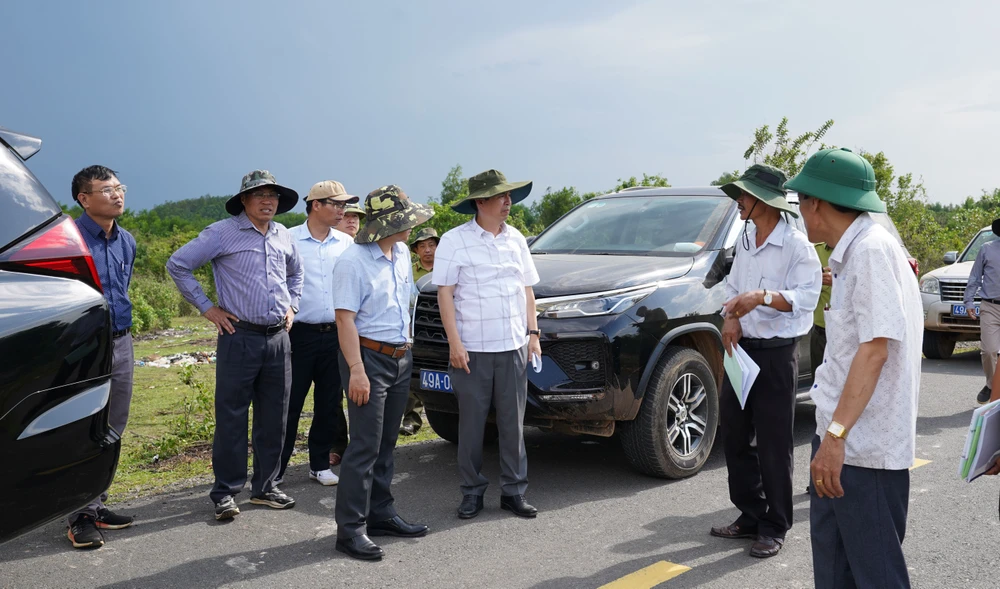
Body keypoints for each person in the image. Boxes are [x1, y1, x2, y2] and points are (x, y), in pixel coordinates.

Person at [788, 148, 922, 589]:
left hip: (863, 452)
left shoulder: (871, 251)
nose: (800, 210)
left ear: (818, 203)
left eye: (801, 200)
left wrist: (835, 438)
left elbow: (875, 350)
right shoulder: (855, 252)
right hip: (842, 443)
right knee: (836, 572)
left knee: (876, 576)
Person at [167, 170, 303, 520]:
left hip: (278, 338)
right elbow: (178, 264)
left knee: (275, 416)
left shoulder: (283, 234)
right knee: (232, 417)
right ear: (244, 200)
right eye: (259, 194)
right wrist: (207, 308)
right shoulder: (221, 233)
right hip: (238, 336)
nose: (267, 200)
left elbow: (296, 273)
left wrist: (293, 306)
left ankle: (266, 487)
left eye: (273, 195)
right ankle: (226, 492)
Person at [710, 164, 822, 558]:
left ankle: (775, 525)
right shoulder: (745, 237)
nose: (737, 201)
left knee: (775, 445)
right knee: (736, 437)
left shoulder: (796, 245)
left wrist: (762, 298)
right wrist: (730, 317)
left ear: (763, 201)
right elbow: (734, 285)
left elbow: (808, 297)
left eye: (743, 195)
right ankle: (751, 513)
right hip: (742, 352)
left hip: (776, 355)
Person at [433, 169, 542, 520]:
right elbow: (445, 294)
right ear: (480, 202)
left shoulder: (517, 240)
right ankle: (472, 491)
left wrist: (533, 334)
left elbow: (527, 290)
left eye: (509, 195)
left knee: (513, 425)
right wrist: (454, 343)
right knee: (472, 426)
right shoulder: (454, 240)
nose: (508, 201)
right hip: (472, 350)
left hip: (512, 346)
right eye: (501, 196)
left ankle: (514, 491)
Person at [333, 185, 433, 561]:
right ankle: (350, 530)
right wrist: (356, 370)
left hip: (398, 357)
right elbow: (345, 320)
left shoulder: (402, 253)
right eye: (404, 220)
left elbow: (403, 303)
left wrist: (407, 349)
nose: (412, 227)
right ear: (385, 224)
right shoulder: (352, 262)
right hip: (367, 359)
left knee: (387, 443)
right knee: (363, 446)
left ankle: (381, 514)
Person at [66, 166, 137, 549]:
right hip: (83, 347)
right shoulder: (68, 239)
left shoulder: (126, 240)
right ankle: (78, 514)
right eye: (107, 189)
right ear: (84, 198)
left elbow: (121, 291)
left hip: (121, 342)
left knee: (114, 422)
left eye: (119, 188)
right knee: (83, 426)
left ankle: (95, 501)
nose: (117, 195)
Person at [276, 181, 357, 487]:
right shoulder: (288, 238)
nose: (342, 211)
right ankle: (276, 468)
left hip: (336, 334)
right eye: (337, 204)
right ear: (316, 205)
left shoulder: (345, 244)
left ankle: (319, 464)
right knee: (290, 403)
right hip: (299, 335)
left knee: (328, 402)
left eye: (344, 205)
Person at [399, 227, 440, 436]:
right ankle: (411, 419)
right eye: (422, 246)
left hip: (441, 328)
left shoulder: (445, 269)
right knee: (413, 370)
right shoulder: (410, 269)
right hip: (415, 326)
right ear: (416, 250)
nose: (428, 250)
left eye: (432, 245)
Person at [963, 219, 1000, 404]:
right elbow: (975, 276)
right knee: (989, 351)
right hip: (990, 306)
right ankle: (992, 385)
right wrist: (969, 301)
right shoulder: (987, 249)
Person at [811, 243, 834, 368]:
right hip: (821, 334)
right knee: (819, 384)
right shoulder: (814, 251)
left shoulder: (859, 249)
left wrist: (839, 281)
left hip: (851, 334)